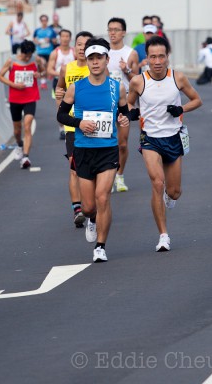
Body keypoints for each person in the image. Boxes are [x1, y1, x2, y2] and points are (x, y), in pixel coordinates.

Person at [127, 36, 202, 252]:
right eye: (153, 57)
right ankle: (163, 235)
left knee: (174, 191)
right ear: (147, 58)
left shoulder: (177, 78)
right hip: (150, 139)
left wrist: (181, 109)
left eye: (161, 56)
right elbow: (130, 103)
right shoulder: (138, 81)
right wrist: (132, 113)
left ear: (167, 57)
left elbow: (197, 100)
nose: (157, 61)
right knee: (157, 184)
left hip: (173, 137)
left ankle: (170, 196)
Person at [57, 38, 129, 263]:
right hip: (84, 150)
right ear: (86, 61)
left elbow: (125, 113)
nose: (95, 62)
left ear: (107, 60)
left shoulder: (117, 87)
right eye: (91, 58)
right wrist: (79, 123)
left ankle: (100, 246)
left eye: (99, 58)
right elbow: (61, 115)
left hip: (108, 150)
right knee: (88, 207)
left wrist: (124, 119)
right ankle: (92, 219)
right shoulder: (76, 88)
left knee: (102, 197)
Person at [55, 31, 93, 228]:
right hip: (73, 125)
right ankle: (77, 209)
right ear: (74, 46)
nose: (81, 48)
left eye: (86, 45)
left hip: (94, 125)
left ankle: (92, 206)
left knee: (91, 169)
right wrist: (59, 105)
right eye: (79, 44)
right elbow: (59, 90)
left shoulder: (96, 68)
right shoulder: (66, 68)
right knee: (74, 168)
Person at [0, 40, 44, 169]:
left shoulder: (36, 59)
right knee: (17, 130)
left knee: (27, 125)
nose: (28, 58)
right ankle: (19, 144)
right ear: (21, 52)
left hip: (30, 97)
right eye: (26, 56)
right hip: (15, 99)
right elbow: (0, 76)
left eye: (30, 56)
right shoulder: (11, 61)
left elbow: (43, 72)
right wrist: (14, 85)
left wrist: (39, 74)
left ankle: (25, 157)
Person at [107, 17, 139, 192]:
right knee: (106, 141)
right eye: (110, 29)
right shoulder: (103, 52)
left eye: (116, 29)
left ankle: (120, 176)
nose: (112, 33)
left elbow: (137, 80)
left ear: (124, 32)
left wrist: (126, 69)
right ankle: (108, 176)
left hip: (124, 100)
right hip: (105, 101)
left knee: (123, 143)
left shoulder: (130, 53)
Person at [46, 28, 75, 139]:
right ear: (59, 38)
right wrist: (61, 73)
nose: (65, 39)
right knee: (61, 107)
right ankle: (62, 129)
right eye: (63, 36)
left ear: (70, 38)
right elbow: (49, 70)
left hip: (72, 82)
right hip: (58, 82)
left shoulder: (74, 52)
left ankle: (73, 126)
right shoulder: (55, 53)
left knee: (74, 106)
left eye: (67, 36)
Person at [33, 15, 57, 89]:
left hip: (49, 52)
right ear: (40, 21)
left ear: (47, 21)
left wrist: (50, 40)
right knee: (42, 65)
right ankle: (43, 82)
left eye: (45, 20)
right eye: (42, 20)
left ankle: (48, 75)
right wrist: (37, 41)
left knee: (47, 67)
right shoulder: (37, 30)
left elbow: (55, 41)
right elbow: (34, 39)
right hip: (40, 52)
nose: (44, 22)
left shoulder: (51, 30)